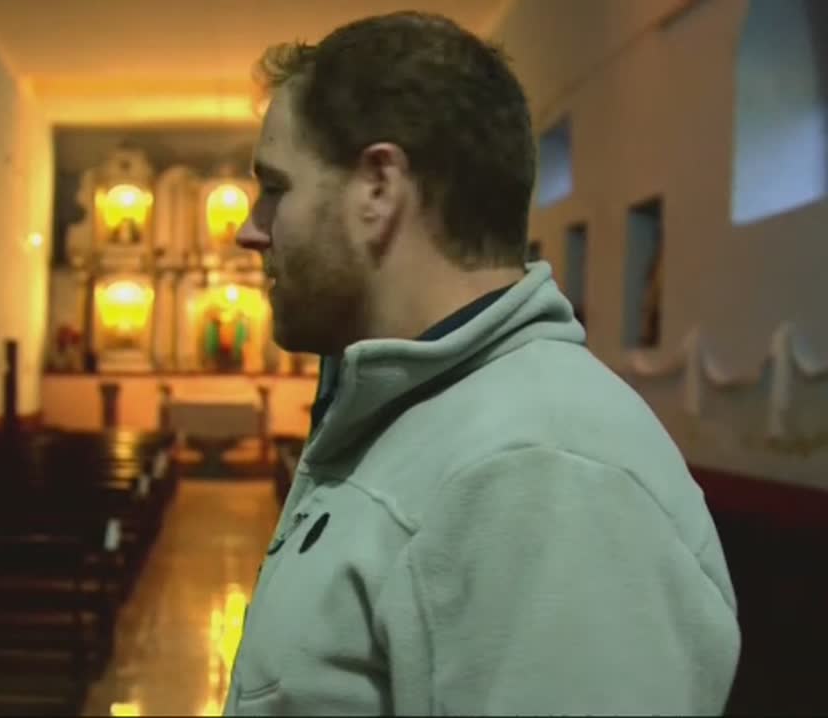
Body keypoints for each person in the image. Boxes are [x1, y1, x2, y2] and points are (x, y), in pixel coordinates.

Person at [227, 11, 739, 716]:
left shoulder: (541, 468)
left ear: (378, 188)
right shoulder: (420, 414)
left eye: (275, 188)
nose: (249, 229)